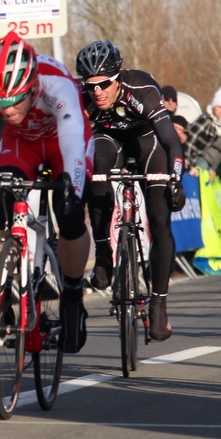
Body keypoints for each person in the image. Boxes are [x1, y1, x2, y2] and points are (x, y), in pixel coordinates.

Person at [0, 31, 93, 354]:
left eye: (14, 100)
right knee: (3, 204)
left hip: (61, 142)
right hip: (20, 143)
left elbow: (72, 143)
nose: (7, 109)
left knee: (68, 215)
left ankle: (71, 297)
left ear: (32, 86)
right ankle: (3, 296)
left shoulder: (57, 84)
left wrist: (73, 190)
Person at [78, 39, 185, 341]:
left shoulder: (142, 90)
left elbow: (170, 139)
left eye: (104, 84)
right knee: (96, 168)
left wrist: (175, 176)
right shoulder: (81, 98)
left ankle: (159, 303)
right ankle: (102, 252)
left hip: (148, 142)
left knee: (160, 218)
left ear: (118, 78)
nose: (97, 91)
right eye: (90, 86)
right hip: (108, 139)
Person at [184, 86, 221, 183]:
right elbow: (189, 143)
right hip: (189, 162)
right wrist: (189, 166)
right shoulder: (205, 121)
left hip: (195, 160)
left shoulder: (216, 126)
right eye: (219, 107)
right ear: (214, 106)